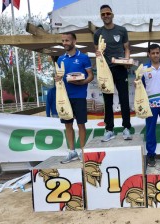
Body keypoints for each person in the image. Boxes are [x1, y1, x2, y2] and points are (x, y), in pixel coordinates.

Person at [94, 4, 132, 142]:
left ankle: (126, 128)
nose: (106, 16)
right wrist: (98, 54)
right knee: (107, 101)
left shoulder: (122, 30)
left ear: (112, 14)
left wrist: (127, 60)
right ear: (100, 16)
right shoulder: (97, 33)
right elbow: (97, 52)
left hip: (120, 69)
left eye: (108, 13)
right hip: (106, 71)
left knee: (124, 99)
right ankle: (109, 129)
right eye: (103, 14)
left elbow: (127, 48)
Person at [55, 32, 94, 164]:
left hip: (79, 96)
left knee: (81, 124)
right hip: (65, 97)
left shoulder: (83, 57)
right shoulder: (60, 59)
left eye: (67, 40)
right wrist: (57, 79)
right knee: (68, 124)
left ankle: (83, 151)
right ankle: (72, 151)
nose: (65, 43)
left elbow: (90, 76)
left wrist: (81, 82)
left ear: (74, 42)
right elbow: (59, 77)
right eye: (63, 40)